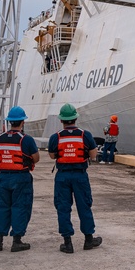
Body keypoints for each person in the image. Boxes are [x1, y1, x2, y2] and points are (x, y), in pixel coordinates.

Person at [47, 103, 102, 254]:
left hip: (62, 176)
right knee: (84, 206)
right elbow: (93, 155)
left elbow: (52, 156)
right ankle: (89, 240)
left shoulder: (56, 137)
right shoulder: (85, 135)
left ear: (61, 120)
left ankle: (67, 243)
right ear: (75, 118)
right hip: (80, 175)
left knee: (63, 208)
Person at [0, 106, 40, 252]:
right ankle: (17, 241)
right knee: (20, 207)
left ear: (9, 122)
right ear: (22, 122)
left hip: (3, 177)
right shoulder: (27, 140)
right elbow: (36, 158)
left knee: (2, 208)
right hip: (21, 178)